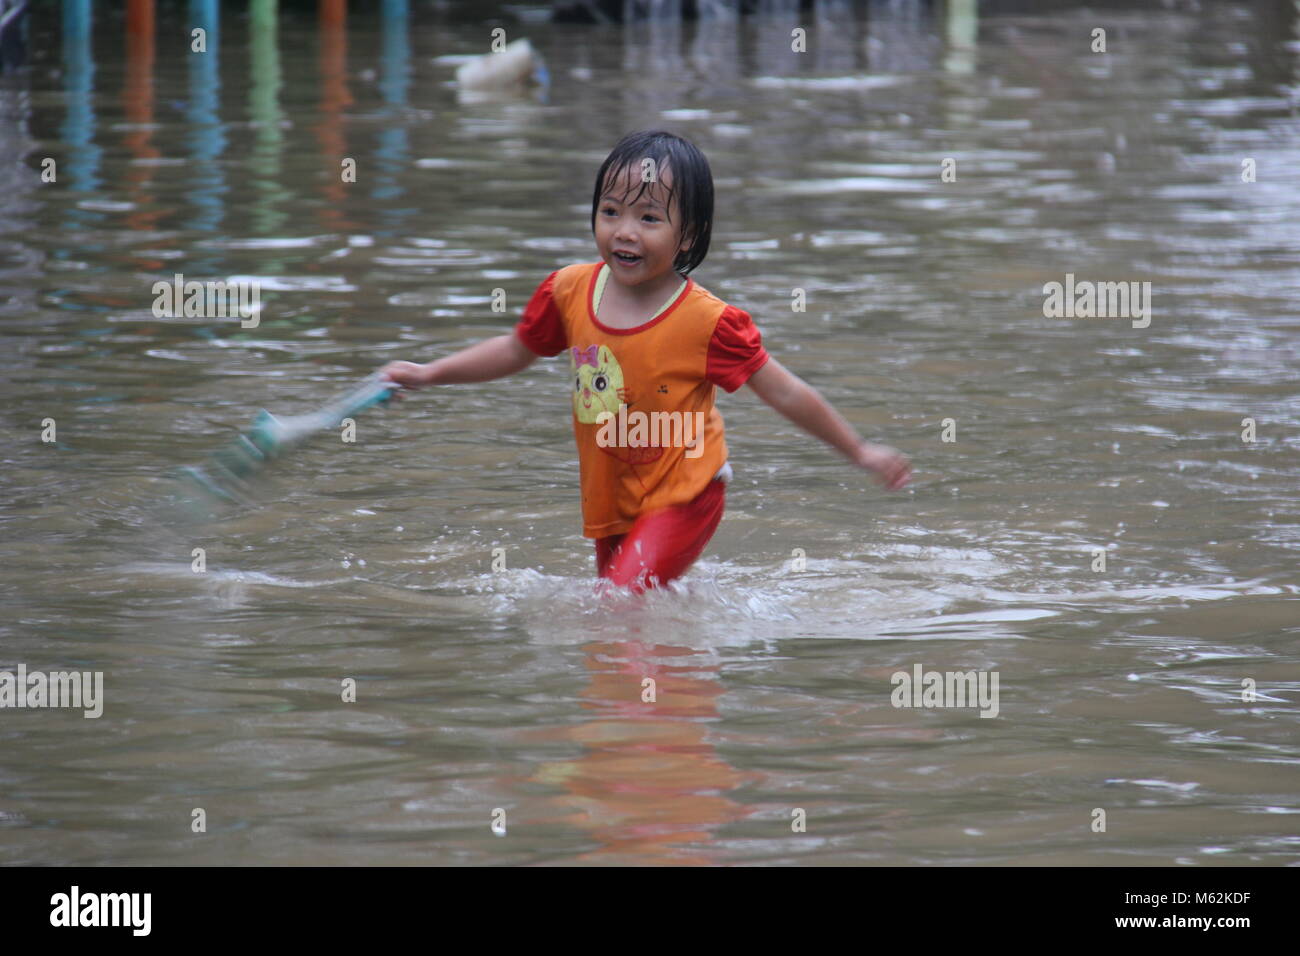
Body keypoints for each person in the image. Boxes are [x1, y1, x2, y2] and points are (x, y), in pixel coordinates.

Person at [380, 130, 911, 593]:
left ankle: (642, 706)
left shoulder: (708, 322)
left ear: (689, 236)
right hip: (611, 496)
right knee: (624, 613)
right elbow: (516, 349)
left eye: (649, 217)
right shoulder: (567, 292)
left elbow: (785, 391)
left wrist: (859, 450)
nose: (624, 231)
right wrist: (429, 374)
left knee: (617, 605)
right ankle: (671, 689)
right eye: (610, 211)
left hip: (686, 493)